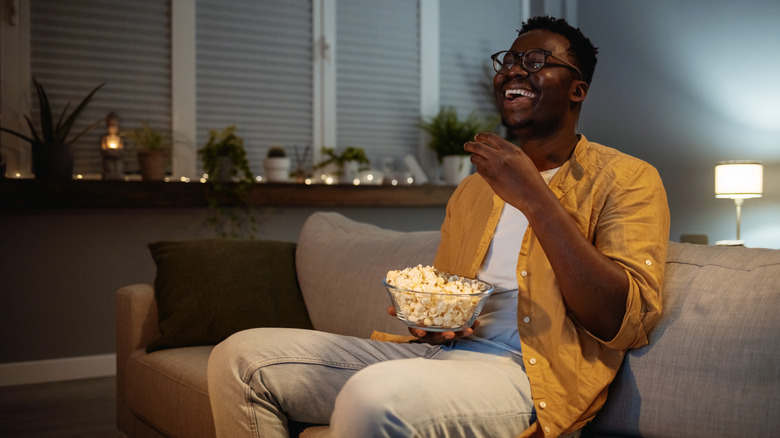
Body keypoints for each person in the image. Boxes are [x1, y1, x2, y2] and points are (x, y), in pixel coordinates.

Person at [208, 16, 669, 438]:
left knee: (373, 398)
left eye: (536, 61)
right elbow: (453, 296)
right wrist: (434, 322)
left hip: (527, 371)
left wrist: (534, 196)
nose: (513, 70)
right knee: (240, 358)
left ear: (577, 90)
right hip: (444, 356)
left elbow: (622, 322)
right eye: (507, 61)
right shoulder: (472, 190)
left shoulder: (628, 179)